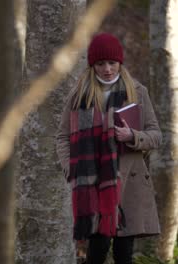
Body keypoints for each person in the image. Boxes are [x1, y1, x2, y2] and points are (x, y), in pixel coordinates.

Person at [56, 33, 162, 264]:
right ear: (92, 65)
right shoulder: (78, 96)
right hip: (93, 182)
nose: (107, 69)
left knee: (124, 252)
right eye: (100, 63)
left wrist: (132, 135)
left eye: (112, 63)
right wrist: (70, 170)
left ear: (120, 63)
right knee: (97, 249)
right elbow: (62, 137)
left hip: (129, 183)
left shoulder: (137, 91)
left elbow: (156, 135)